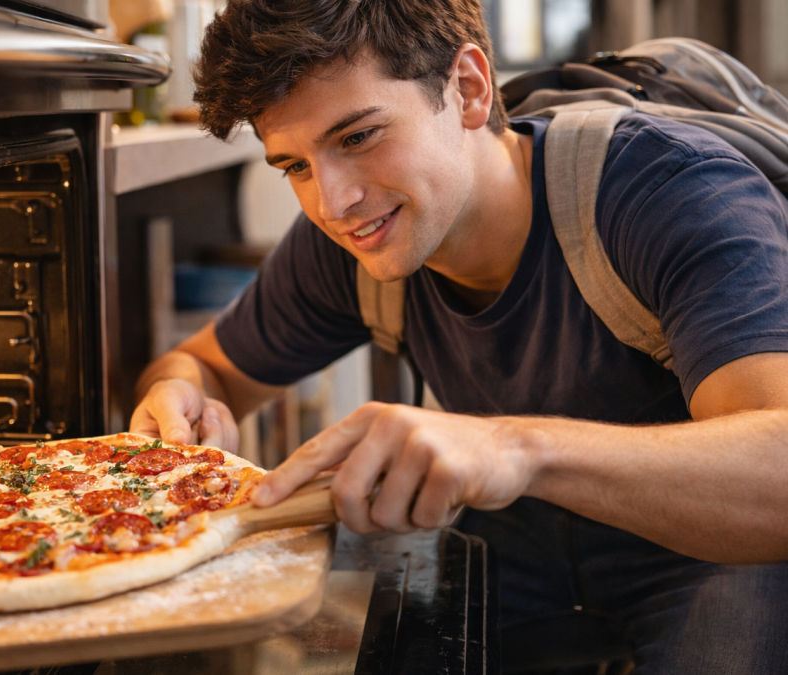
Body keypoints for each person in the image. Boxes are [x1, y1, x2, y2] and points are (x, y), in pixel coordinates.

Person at [130, 0, 788, 671]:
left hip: (715, 544)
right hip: (520, 536)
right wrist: (181, 394)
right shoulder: (349, 241)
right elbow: (199, 366)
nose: (332, 203)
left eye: (357, 137)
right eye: (294, 166)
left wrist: (514, 447)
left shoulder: (669, 191)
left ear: (468, 89)